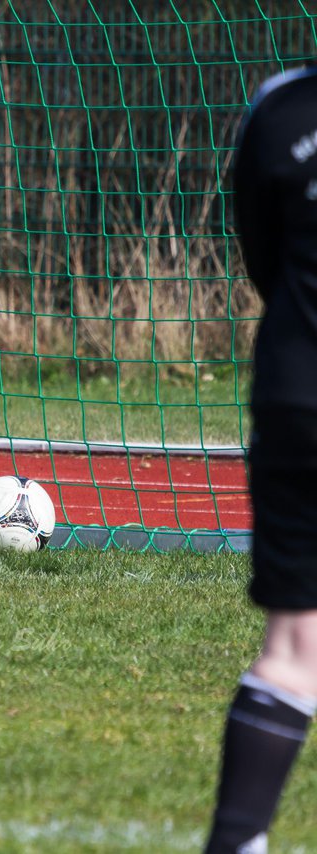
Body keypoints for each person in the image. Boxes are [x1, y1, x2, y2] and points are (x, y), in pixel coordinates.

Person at [204, 64, 317, 853]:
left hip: (299, 390)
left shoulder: (280, 108)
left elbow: (264, 262)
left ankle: (237, 842)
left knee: (295, 647)